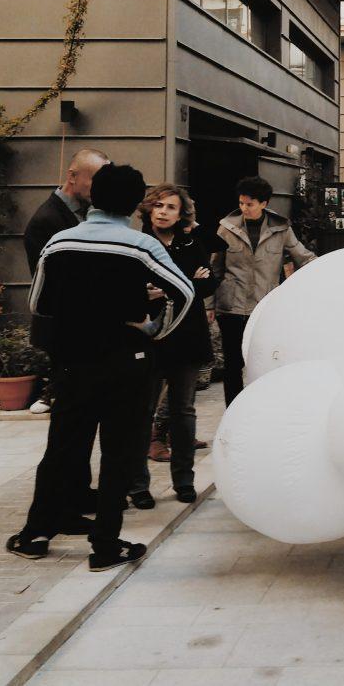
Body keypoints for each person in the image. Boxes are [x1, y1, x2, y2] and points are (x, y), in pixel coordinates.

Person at [8, 164, 194, 572]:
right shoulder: (140, 245)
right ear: (134, 203)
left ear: (93, 197)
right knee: (118, 453)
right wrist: (154, 329)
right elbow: (184, 291)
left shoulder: (60, 242)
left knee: (61, 448)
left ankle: (35, 534)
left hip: (74, 361)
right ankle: (105, 546)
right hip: (126, 362)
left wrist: (74, 317)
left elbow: (37, 302)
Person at [127, 185, 218, 509]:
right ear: (149, 209)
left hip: (187, 336)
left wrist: (171, 288)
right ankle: (138, 485)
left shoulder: (191, 243)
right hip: (148, 338)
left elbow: (208, 283)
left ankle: (184, 480)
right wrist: (184, 284)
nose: (163, 211)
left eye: (171, 207)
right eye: (159, 205)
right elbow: (130, 287)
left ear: (181, 215)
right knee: (142, 411)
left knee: (183, 411)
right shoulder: (138, 244)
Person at [213, 176, 316, 406]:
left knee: (263, 363)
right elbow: (215, 270)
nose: (244, 208)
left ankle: (259, 408)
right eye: (241, 203)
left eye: (249, 204)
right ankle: (233, 410)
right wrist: (209, 305)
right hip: (232, 308)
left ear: (264, 203)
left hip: (264, 309)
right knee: (233, 364)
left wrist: (328, 268)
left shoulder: (280, 229)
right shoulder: (226, 228)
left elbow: (303, 257)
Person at [24, 148, 110, 415]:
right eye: (95, 180)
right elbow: (49, 285)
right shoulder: (46, 220)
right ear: (72, 176)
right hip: (66, 328)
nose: (101, 188)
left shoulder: (91, 213)